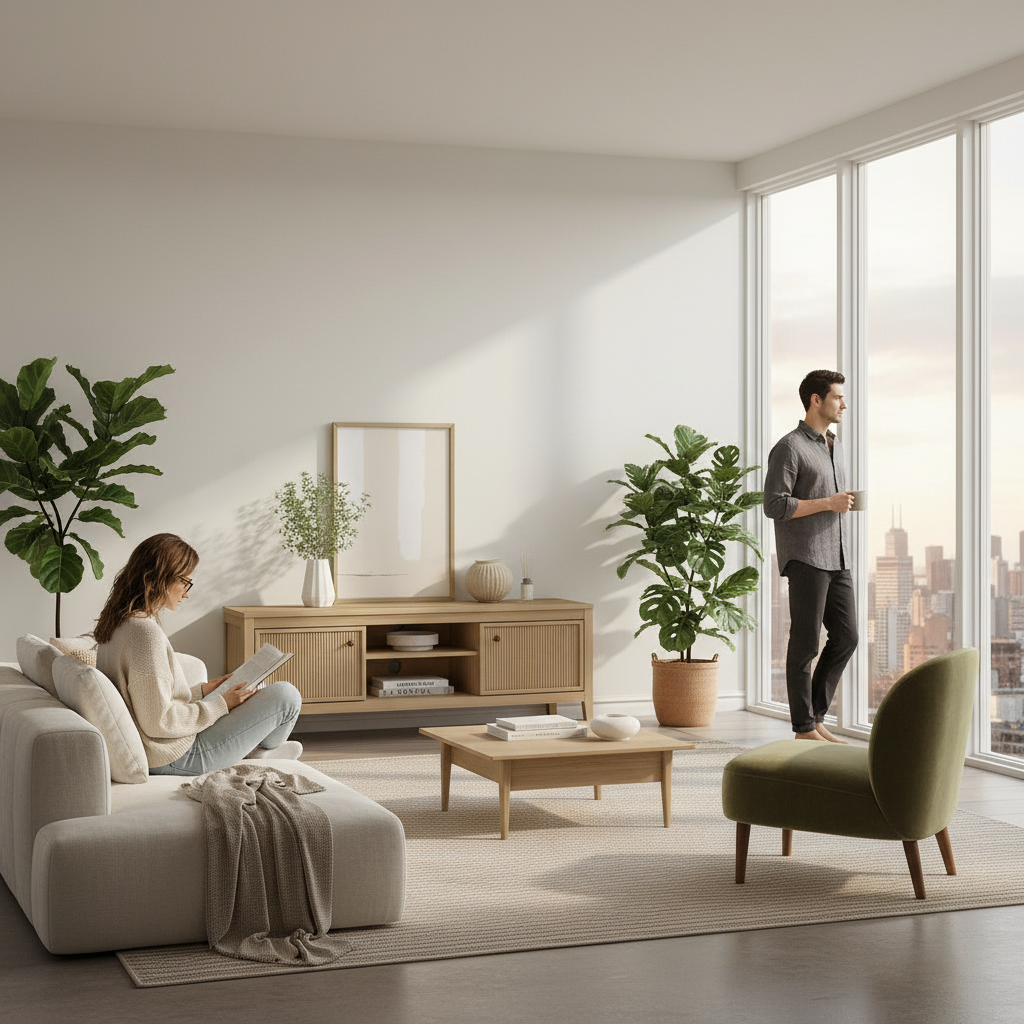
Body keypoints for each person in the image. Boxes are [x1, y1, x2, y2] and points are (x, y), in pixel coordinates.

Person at [95, 533, 303, 775]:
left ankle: (251, 747)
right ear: (158, 578)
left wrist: (203, 690)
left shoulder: (120, 623)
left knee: (257, 686)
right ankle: (261, 753)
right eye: (184, 582)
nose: (186, 593)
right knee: (286, 695)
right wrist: (220, 705)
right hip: (175, 754)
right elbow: (158, 721)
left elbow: (147, 700)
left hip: (167, 746)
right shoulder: (144, 633)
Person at [763, 369, 858, 743]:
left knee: (847, 636)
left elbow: (832, 502)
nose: (843, 404)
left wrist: (840, 504)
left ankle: (815, 717)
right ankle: (804, 729)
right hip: (805, 557)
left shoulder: (834, 445)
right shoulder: (789, 447)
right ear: (815, 400)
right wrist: (828, 503)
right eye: (837, 397)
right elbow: (774, 504)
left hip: (838, 557)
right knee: (805, 643)